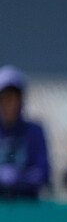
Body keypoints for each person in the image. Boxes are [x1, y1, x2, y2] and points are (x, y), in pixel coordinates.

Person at [0, 65, 50, 199]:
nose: (8, 103)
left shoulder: (34, 132)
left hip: (27, 209)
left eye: (13, 97)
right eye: (4, 98)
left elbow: (43, 173)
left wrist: (19, 179)